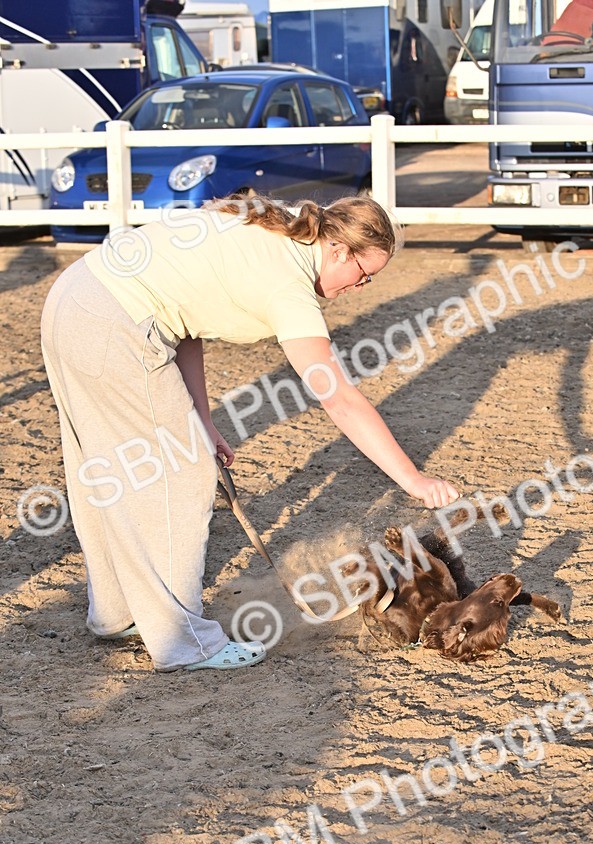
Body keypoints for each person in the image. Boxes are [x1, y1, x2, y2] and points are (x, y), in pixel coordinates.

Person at [40, 195, 459, 673]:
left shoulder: (284, 228)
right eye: (364, 274)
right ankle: (183, 642)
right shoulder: (289, 287)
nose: (361, 287)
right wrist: (414, 481)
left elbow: (184, 322)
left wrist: (200, 420)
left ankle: (116, 613)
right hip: (115, 321)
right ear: (340, 250)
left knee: (112, 466)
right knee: (184, 477)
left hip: (76, 298)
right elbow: (338, 398)